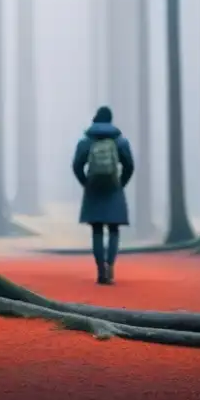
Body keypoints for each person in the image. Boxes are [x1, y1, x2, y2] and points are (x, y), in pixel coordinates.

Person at [71, 105, 134, 284]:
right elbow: (129, 166)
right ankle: (111, 266)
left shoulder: (86, 141)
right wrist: (121, 183)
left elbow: (76, 166)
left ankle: (100, 270)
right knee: (113, 229)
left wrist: (86, 183)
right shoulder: (120, 141)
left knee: (97, 230)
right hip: (114, 188)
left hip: (93, 189)